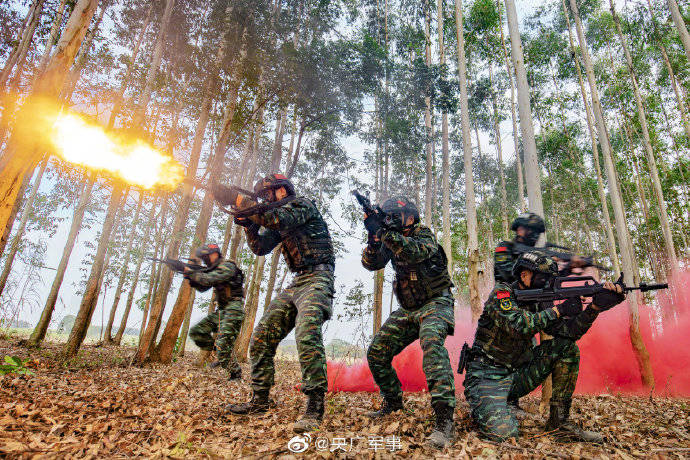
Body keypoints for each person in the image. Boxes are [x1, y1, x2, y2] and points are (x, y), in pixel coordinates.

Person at [216, 174, 335, 434]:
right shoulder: (277, 218)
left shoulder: (302, 205)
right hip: (298, 281)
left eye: (268, 194)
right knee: (260, 337)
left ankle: (315, 405)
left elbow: (276, 218)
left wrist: (239, 200)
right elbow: (260, 247)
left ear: (282, 191)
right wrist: (247, 223)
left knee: (306, 332)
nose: (266, 199)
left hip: (318, 278)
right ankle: (260, 400)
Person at [464, 252, 625, 442]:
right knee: (504, 435)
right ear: (524, 275)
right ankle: (485, 405)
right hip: (486, 377)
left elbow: (568, 333)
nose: (547, 282)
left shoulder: (539, 301)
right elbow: (520, 325)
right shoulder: (502, 294)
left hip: (515, 375)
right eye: (542, 277)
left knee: (566, 348)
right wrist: (560, 310)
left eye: (550, 278)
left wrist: (594, 309)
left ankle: (559, 423)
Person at [361, 196, 456, 449]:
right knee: (377, 352)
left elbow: (414, 251)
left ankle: (445, 420)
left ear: (410, 219)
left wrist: (384, 231)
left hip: (436, 303)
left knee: (432, 346)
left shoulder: (423, 234)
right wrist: (374, 237)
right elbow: (371, 264)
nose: (390, 221)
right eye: (387, 217)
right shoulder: (389, 237)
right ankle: (392, 403)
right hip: (409, 309)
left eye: (393, 217)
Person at [186, 243, 245, 380]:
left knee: (223, 345)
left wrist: (191, 272)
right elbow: (202, 287)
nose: (206, 259)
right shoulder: (214, 269)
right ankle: (221, 352)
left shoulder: (227, 266)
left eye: (207, 256)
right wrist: (190, 277)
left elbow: (210, 279)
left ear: (216, 254)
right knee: (197, 332)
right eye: (204, 257)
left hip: (234, 309)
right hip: (222, 310)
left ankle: (235, 373)